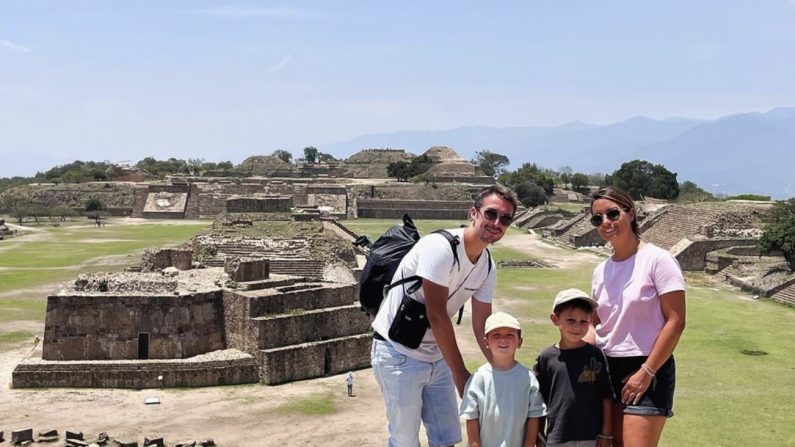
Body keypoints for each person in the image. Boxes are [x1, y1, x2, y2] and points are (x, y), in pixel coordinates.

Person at [371, 184, 518, 447]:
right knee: (404, 440)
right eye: (491, 214)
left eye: (505, 218)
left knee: (446, 438)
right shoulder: (440, 247)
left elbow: (482, 324)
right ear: (473, 213)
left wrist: (505, 369)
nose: (497, 222)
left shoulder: (486, 266)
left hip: (436, 356)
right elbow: (437, 314)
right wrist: (461, 375)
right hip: (398, 352)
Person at [586, 186, 686, 447]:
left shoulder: (657, 260)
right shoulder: (601, 270)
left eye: (612, 214)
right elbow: (596, 322)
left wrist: (647, 371)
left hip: (647, 366)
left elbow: (676, 321)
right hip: (607, 368)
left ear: (630, 214)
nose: (606, 223)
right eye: (598, 218)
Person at [535, 288, 614, 447]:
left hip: (591, 436)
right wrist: (538, 434)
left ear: (590, 321)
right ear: (555, 319)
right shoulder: (546, 358)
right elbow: (538, 401)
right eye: (570, 320)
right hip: (558, 436)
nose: (577, 327)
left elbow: (606, 396)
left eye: (583, 321)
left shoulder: (595, 355)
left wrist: (606, 434)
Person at [460, 312, 546, 447]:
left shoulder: (528, 379)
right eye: (496, 335)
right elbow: (471, 419)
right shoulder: (478, 378)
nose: (503, 340)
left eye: (510, 335)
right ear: (486, 342)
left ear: (520, 342)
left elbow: (534, 417)